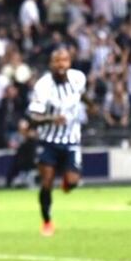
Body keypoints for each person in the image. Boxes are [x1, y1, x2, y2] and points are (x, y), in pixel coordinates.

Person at [27, 46, 88, 236]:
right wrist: (51, 119)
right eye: (57, 61)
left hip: (72, 140)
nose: (61, 65)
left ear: (70, 63)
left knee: (72, 182)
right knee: (46, 183)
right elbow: (33, 117)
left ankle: (67, 182)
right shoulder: (43, 86)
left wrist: (92, 105)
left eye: (65, 60)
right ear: (51, 64)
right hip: (49, 141)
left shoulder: (78, 78)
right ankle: (47, 222)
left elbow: (81, 95)